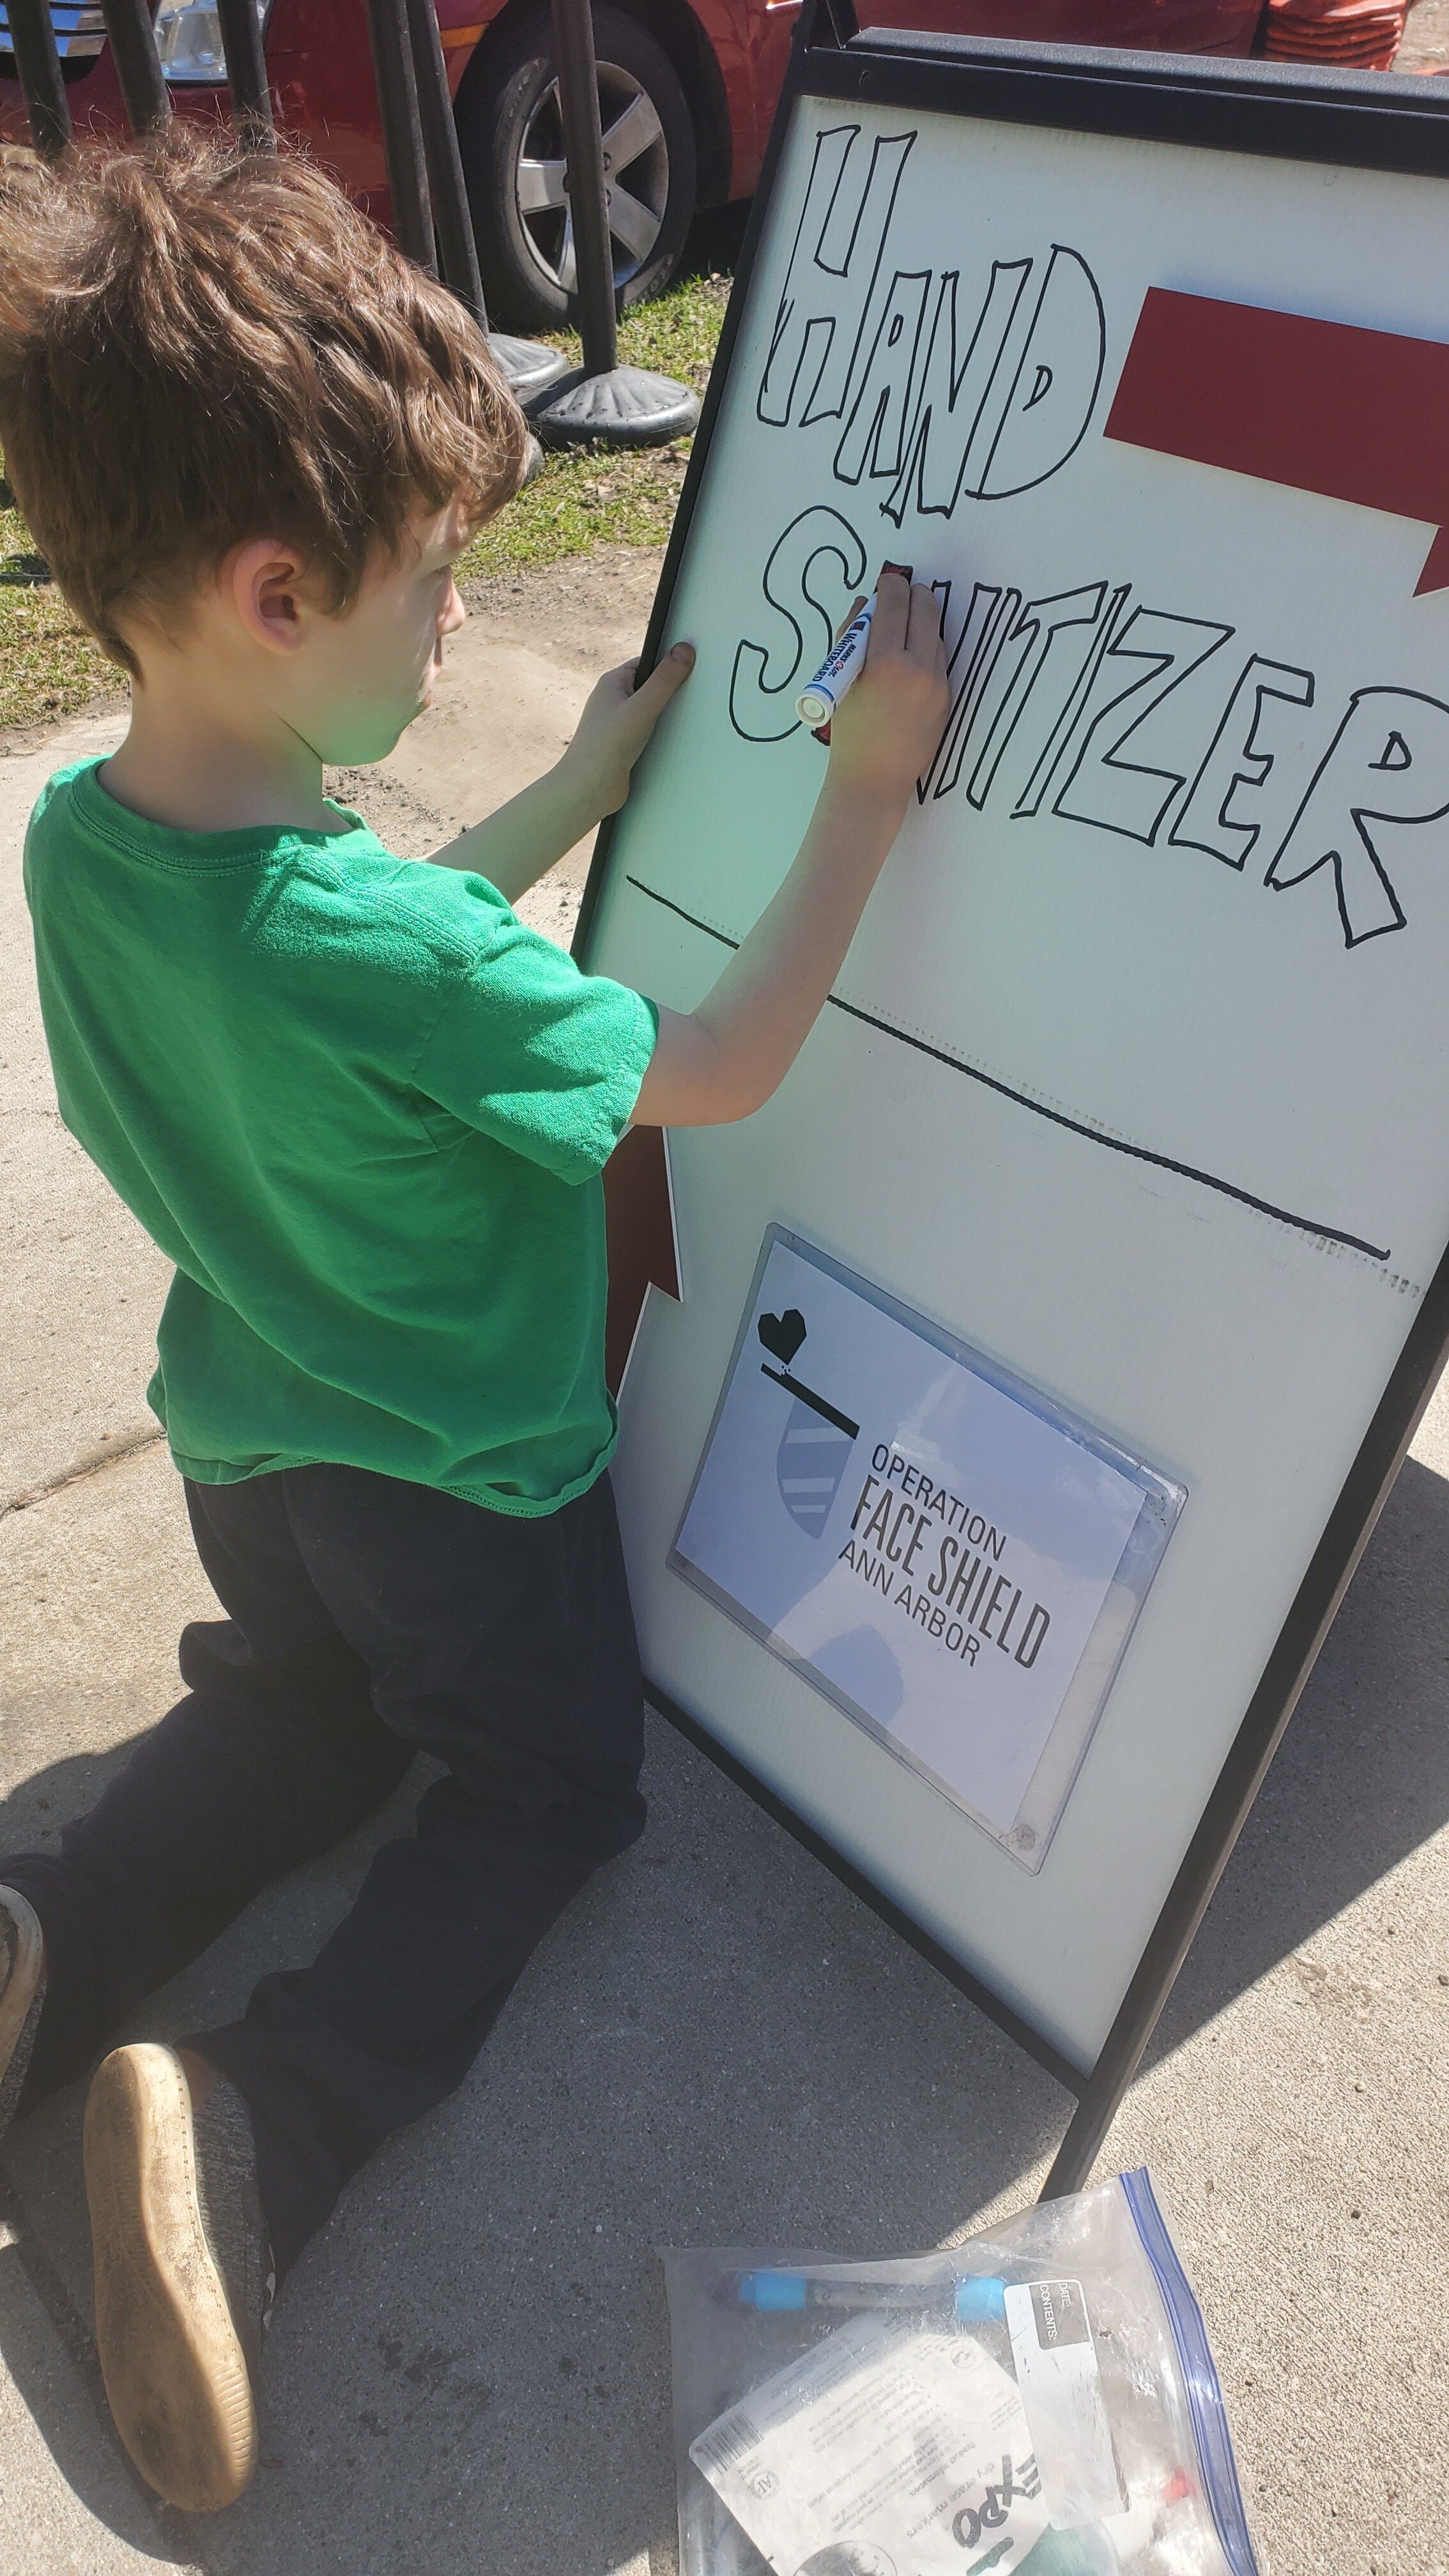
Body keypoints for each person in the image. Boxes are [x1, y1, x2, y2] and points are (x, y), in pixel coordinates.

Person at [0, 130, 947, 2513]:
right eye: (436, 584)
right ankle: (247, 2124)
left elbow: (368, 948)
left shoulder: (88, 845)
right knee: (539, 1788)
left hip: (254, 1444)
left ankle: (50, 1924)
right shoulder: (390, 954)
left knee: (299, 1719)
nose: (457, 620)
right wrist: (859, 798)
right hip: (463, 1485)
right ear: (266, 583)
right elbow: (703, 1075)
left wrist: (554, 782)